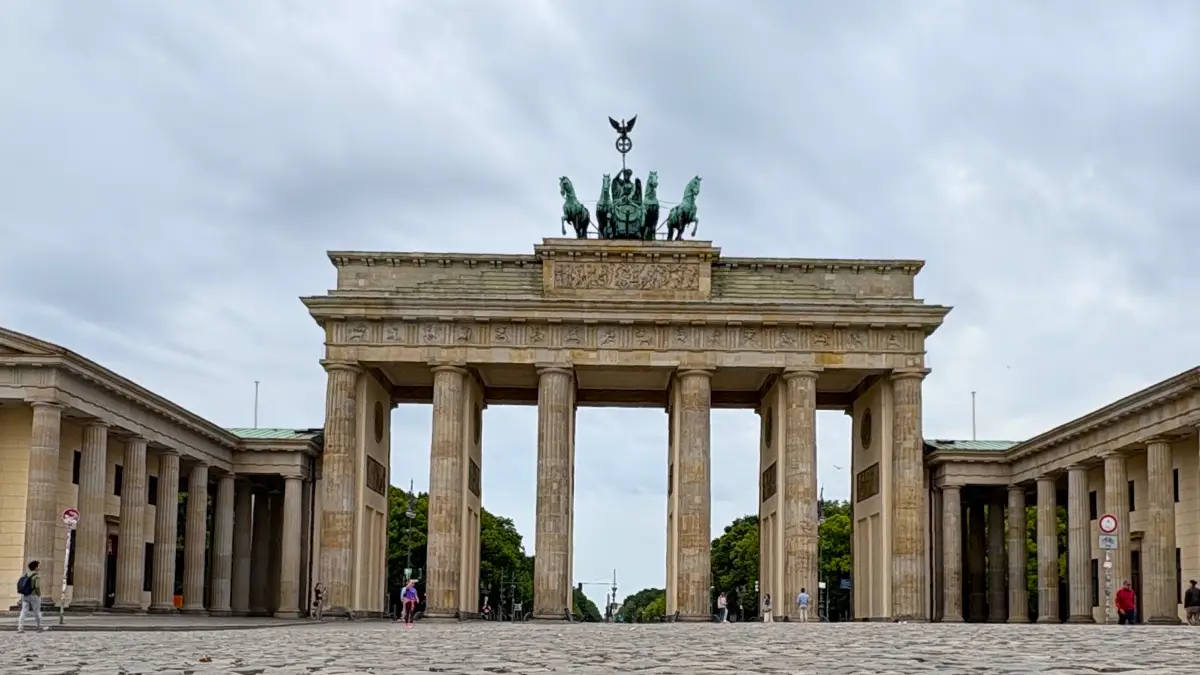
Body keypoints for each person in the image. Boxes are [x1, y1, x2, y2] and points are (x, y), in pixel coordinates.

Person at [17, 560, 46, 633]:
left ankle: (20, 627)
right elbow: (36, 586)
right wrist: (39, 594)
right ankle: (39, 627)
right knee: (36, 612)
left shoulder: (26, 574)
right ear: (36, 567)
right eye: (38, 566)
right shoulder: (36, 576)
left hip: (25, 595)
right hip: (34, 595)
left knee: (23, 611)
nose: (39, 567)